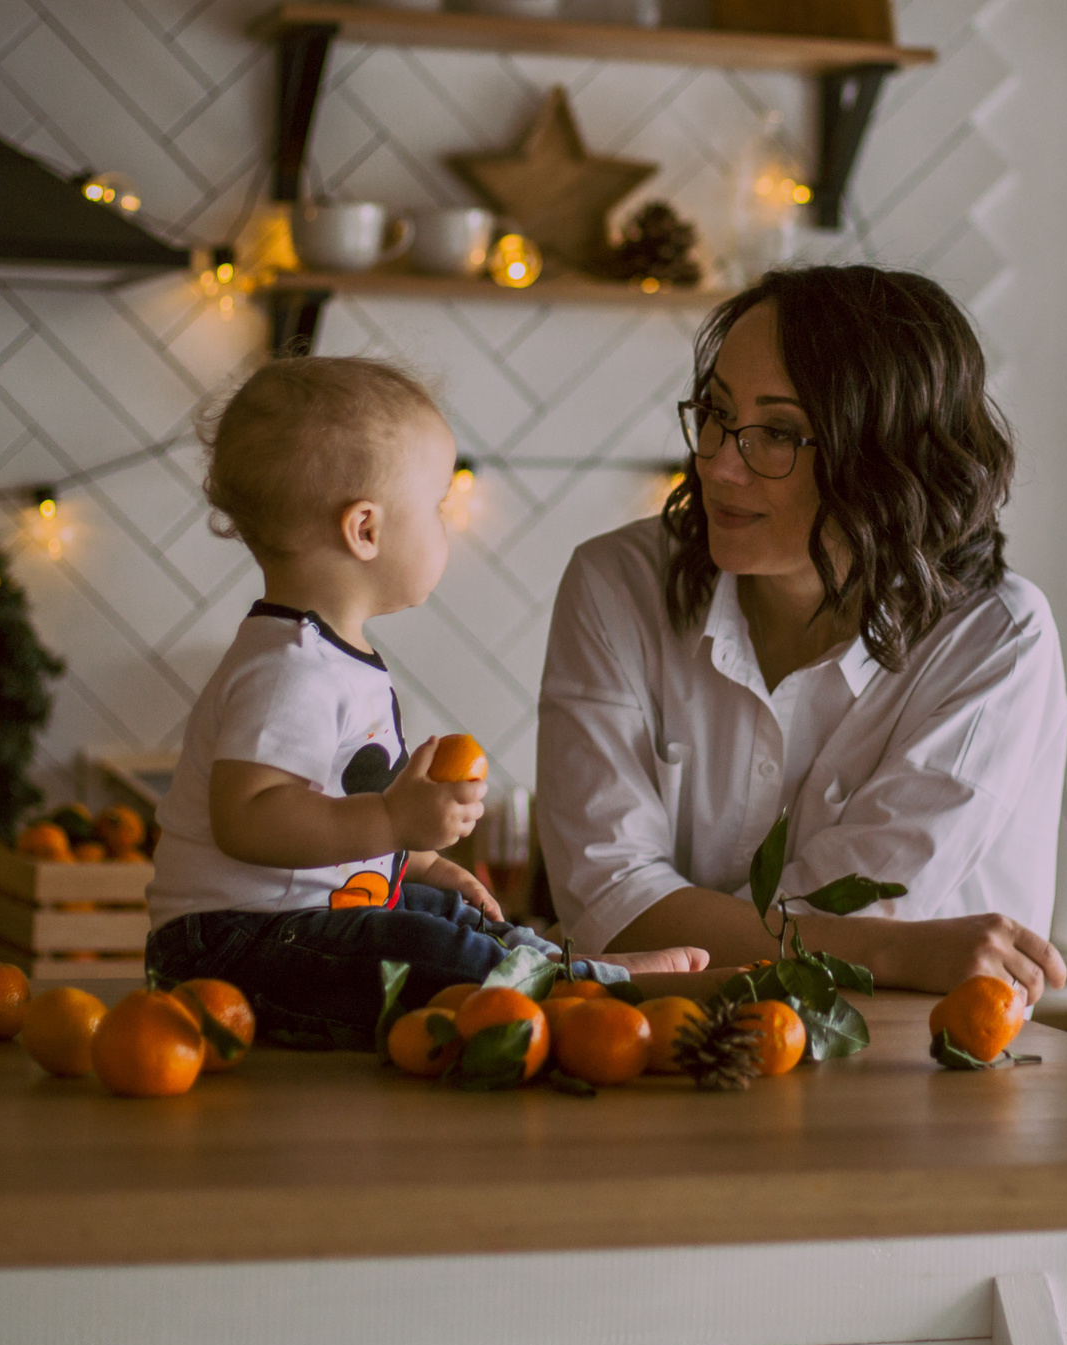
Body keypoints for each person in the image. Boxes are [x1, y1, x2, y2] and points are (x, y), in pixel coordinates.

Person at [537, 267, 1067, 1001]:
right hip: (661, 1053)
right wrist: (893, 950)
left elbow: (863, 914)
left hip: (906, 1061)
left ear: (887, 459)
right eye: (717, 413)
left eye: (780, 433)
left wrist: (864, 941)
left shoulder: (995, 640)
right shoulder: (615, 585)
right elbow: (608, 908)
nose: (719, 463)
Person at [144, 356, 704, 1048]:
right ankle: (576, 988)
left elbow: (327, 826)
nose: (446, 523)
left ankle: (566, 971)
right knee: (421, 947)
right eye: (438, 506)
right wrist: (390, 820)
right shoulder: (288, 669)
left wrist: (412, 861)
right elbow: (248, 820)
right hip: (232, 947)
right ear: (366, 530)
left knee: (444, 916)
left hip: (294, 926)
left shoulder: (332, 659)